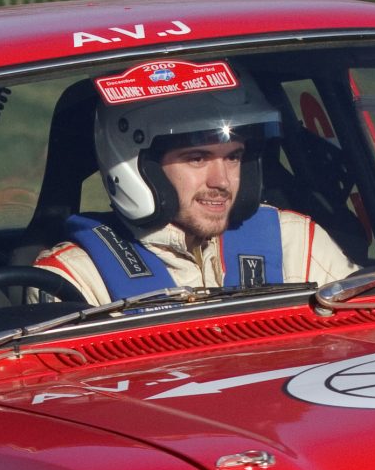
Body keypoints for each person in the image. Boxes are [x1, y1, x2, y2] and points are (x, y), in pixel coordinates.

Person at [35, 68, 353, 307]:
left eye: (234, 157)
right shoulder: (76, 277)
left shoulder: (296, 244)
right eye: (197, 159)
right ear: (137, 168)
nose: (222, 181)